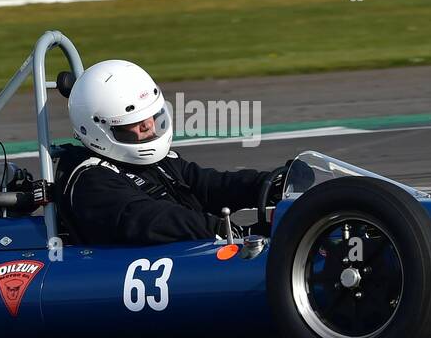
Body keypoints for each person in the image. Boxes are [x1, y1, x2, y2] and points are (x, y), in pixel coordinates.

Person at [54, 59, 277, 246]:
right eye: (135, 121)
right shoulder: (91, 181)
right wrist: (221, 229)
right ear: (97, 128)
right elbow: (149, 218)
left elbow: (210, 185)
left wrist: (268, 184)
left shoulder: (159, 163)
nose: (149, 125)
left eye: (151, 115)